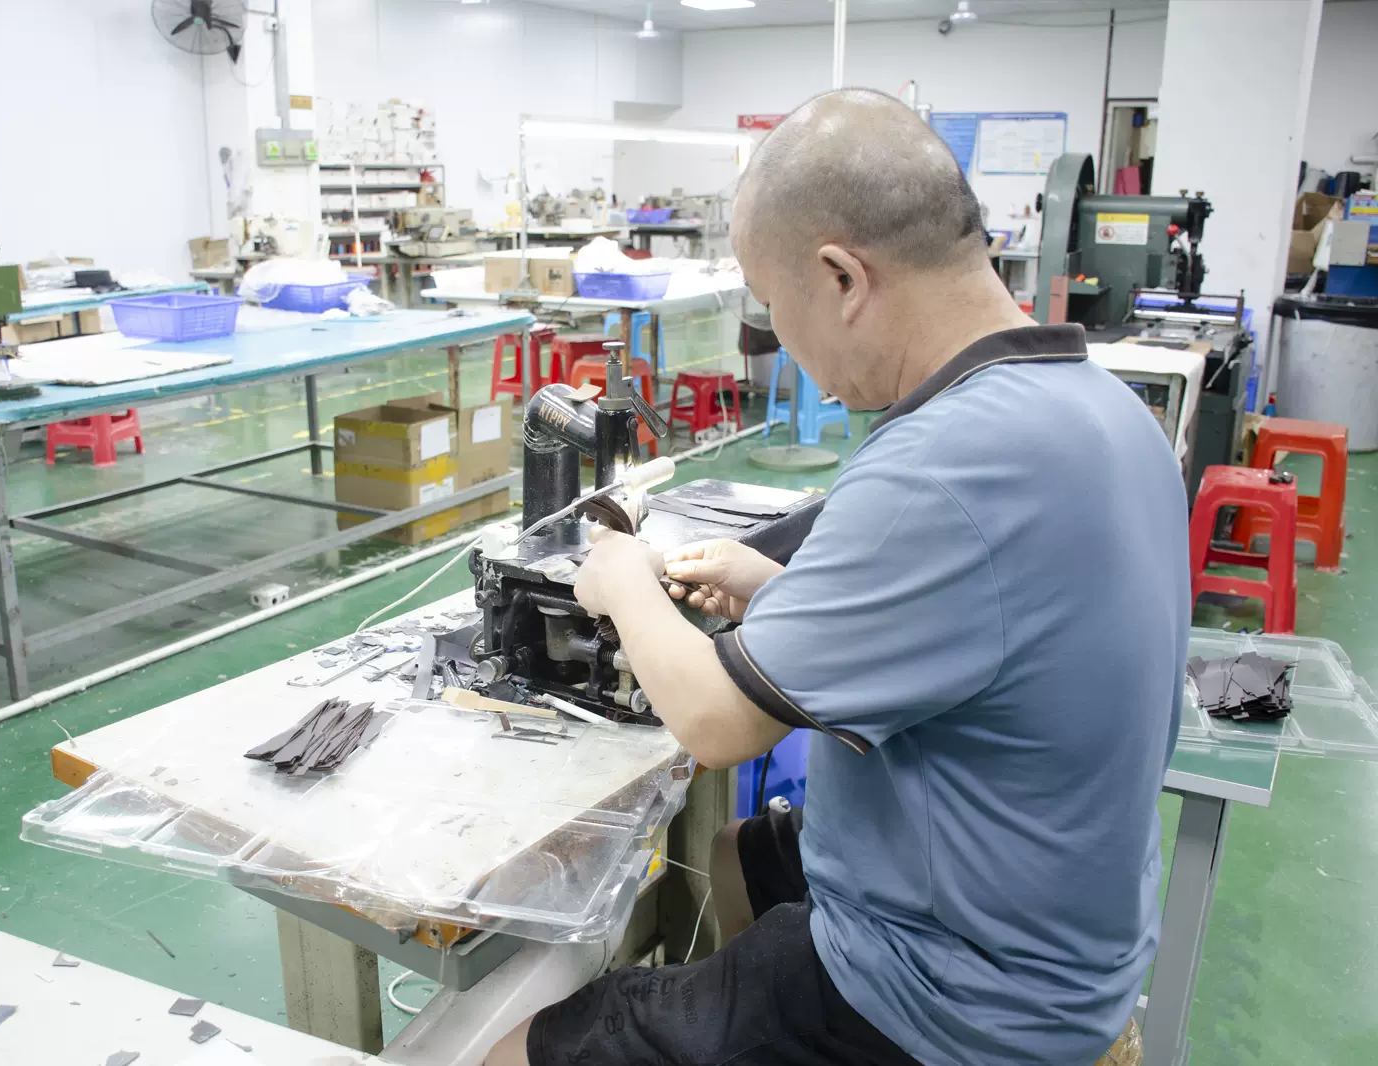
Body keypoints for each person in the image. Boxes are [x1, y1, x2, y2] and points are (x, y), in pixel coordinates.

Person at [484, 88, 1188, 1066]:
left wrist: (618, 579)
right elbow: (991, 628)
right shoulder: (1100, 410)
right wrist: (778, 591)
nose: (788, 348)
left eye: (774, 307)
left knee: (522, 1050)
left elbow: (719, 725)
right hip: (1060, 922)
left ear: (842, 277)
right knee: (737, 856)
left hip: (960, 996)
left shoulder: (938, 465)